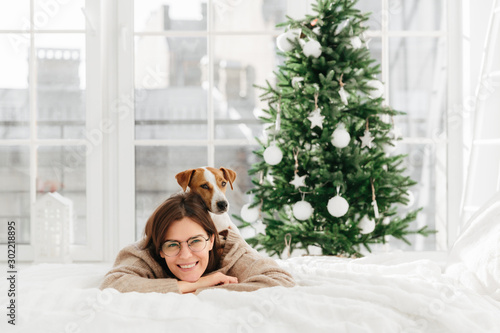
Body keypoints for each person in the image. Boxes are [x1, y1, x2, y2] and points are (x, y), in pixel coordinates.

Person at [100, 192, 295, 294]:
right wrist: (198, 284)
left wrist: (202, 291)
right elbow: (113, 284)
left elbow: (280, 280)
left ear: (211, 240)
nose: (185, 255)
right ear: (159, 249)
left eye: (195, 241)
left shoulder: (232, 252)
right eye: (172, 245)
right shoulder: (143, 253)